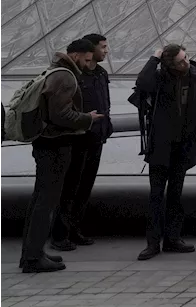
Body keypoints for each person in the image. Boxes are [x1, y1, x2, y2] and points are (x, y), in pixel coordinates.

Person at [18, 41, 102, 274]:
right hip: (55, 145)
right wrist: (87, 118)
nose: (88, 64)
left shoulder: (53, 71)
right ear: (74, 55)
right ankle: (34, 258)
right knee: (46, 203)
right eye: (86, 59)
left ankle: (31, 254)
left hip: (44, 143)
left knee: (39, 200)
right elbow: (61, 114)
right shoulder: (65, 77)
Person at [134, 44, 196, 260]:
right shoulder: (159, 78)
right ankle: (153, 243)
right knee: (156, 195)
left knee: (176, 194)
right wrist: (154, 58)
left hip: (183, 144)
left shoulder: (195, 76)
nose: (186, 63)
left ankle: (173, 239)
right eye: (180, 61)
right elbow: (142, 82)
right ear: (169, 64)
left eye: (186, 58)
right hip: (161, 146)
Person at [50, 33, 111, 252]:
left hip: (96, 137)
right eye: (102, 47)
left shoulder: (101, 73)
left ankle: (74, 230)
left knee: (84, 187)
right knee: (70, 188)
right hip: (78, 138)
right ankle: (60, 234)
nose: (106, 51)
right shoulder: (73, 76)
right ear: (90, 49)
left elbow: (105, 102)